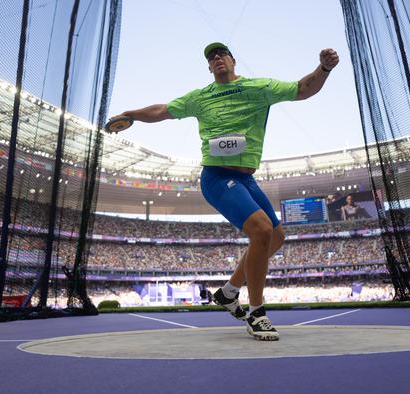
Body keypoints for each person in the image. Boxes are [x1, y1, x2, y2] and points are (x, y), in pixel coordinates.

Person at [110, 42, 339, 340]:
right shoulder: (201, 97)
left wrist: (324, 69)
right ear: (209, 67)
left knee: (277, 237)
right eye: (211, 57)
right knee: (261, 230)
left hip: (247, 178)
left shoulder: (259, 87)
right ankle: (256, 313)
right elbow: (163, 110)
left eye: (221, 54)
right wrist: (131, 114)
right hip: (217, 177)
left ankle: (230, 292)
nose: (216, 58)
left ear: (232, 60)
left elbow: (302, 89)